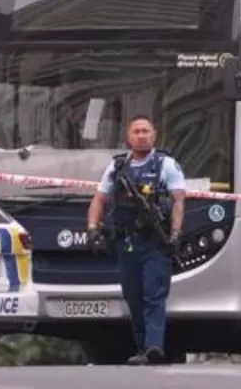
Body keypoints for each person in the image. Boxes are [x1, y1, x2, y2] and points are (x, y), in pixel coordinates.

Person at [87, 114, 185, 365]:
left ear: (154, 135)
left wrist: (175, 234)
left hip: (155, 242)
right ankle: (142, 348)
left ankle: (154, 345)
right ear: (128, 137)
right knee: (133, 296)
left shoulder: (166, 165)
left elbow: (178, 202)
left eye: (146, 131)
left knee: (154, 295)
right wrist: (92, 228)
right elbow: (99, 199)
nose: (141, 135)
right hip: (126, 242)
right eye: (136, 131)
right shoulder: (117, 167)